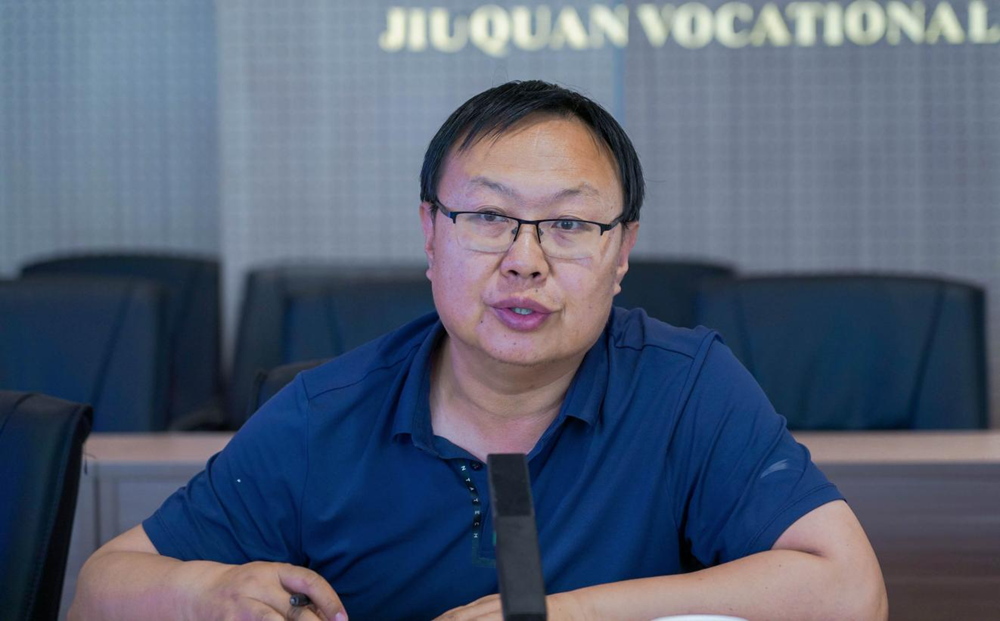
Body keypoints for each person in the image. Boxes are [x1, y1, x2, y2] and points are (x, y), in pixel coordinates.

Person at [71, 80, 887, 621]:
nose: (525, 260)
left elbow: (850, 590)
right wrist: (207, 590)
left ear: (623, 249)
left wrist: (562, 612)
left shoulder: (687, 387)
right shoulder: (325, 416)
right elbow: (101, 586)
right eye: (489, 217)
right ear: (430, 233)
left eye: (569, 223)